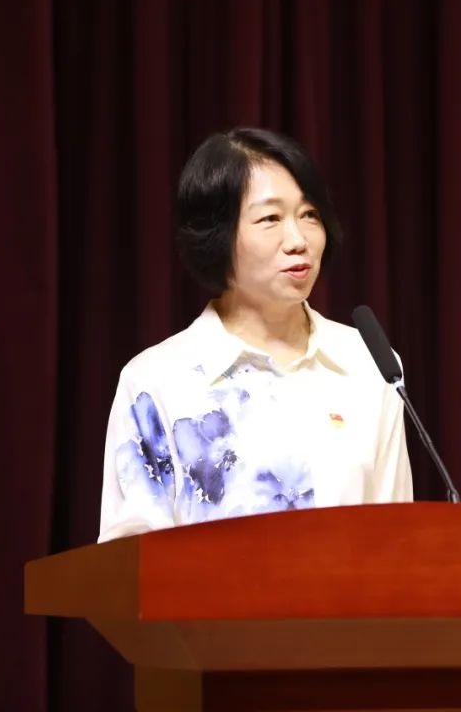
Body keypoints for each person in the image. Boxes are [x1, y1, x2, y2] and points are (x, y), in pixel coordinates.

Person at [98, 128, 412, 542]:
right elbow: (130, 560)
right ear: (216, 235)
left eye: (309, 215)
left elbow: (395, 535)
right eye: (270, 219)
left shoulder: (368, 362)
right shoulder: (156, 381)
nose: (298, 240)